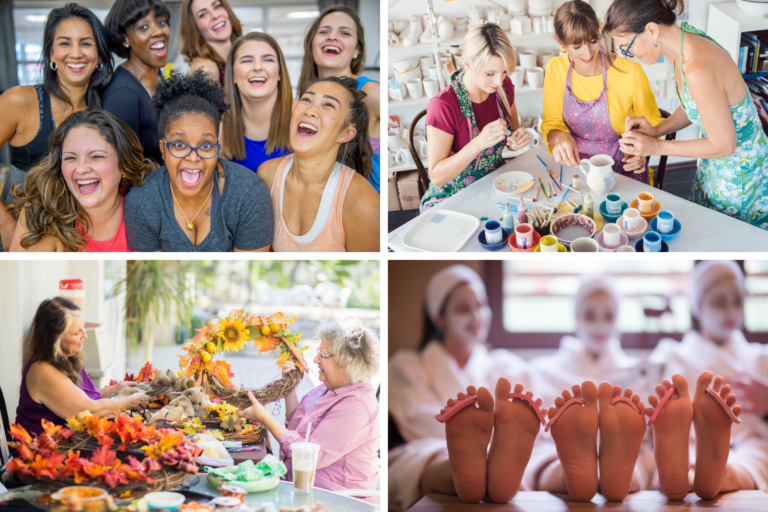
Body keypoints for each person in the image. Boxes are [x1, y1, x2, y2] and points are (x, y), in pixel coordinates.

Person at [604, 0, 768, 229]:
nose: (628, 54)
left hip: (741, 173)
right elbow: (698, 105)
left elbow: (724, 145)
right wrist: (656, 130)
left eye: (626, 46)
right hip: (716, 165)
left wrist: (655, 147)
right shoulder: (681, 44)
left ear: (652, 30)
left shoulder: (698, 68)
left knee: (726, 239)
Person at [388, 265, 526, 510]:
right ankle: (468, 472)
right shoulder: (407, 366)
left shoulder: (506, 366)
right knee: (437, 456)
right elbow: (421, 423)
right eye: (464, 309)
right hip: (432, 445)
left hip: (506, 456)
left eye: (481, 305)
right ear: (439, 317)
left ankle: (495, 471)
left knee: (541, 460)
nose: (476, 316)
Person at [520, 277, 655, 501]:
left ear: (618, 320)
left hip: (626, 451)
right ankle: (578, 474)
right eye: (590, 315)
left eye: (608, 316)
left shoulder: (638, 373)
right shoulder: (543, 371)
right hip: (559, 450)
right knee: (549, 458)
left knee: (637, 458)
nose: (599, 325)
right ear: (576, 317)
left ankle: (617, 474)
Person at [0, 3, 113, 250]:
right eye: (64, 43)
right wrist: (6, 226)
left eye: (85, 43)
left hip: (75, 240)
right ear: (51, 53)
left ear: (99, 54)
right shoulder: (20, 100)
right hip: (17, 241)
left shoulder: (105, 114)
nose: (76, 53)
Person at [649, 261, 768, 492]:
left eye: (737, 301)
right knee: (667, 452)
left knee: (757, 455)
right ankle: (690, 468)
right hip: (687, 443)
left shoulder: (761, 358)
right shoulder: (671, 355)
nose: (730, 311)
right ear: (697, 307)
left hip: (748, 444)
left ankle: (718, 474)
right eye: (719, 302)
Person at [123, 71, 273, 252]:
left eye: (206, 145)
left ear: (217, 147)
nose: (193, 157)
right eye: (179, 144)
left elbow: (247, 270)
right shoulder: (141, 202)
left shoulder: (249, 194)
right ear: (163, 149)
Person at [240, 320, 380, 493]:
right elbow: (297, 428)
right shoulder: (329, 387)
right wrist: (289, 389)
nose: (315, 360)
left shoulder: (357, 405)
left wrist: (265, 419)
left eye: (323, 355)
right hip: (297, 486)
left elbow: (309, 454)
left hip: (333, 499)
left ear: (347, 362)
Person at [542, 0, 663, 184]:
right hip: (577, 170)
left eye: (593, 41)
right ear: (560, 41)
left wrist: (642, 151)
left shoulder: (630, 73)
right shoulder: (555, 69)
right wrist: (560, 138)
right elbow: (551, 124)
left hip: (625, 171)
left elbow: (653, 124)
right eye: (576, 46)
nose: (588, 53)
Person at [257, 76, 378, 252]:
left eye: (329, 105)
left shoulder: (364, 204)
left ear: (345, 134)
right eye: (306, 100)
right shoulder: (267, 174)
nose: (310, 110)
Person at [421, 23, 530, 212]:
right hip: (450, 194)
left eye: (504, 72)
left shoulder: (504, 88)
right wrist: (478, 143)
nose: (498, 81)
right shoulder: (444, 105)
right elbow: (437, 176)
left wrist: (514, 140)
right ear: (467, 63)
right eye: (490, 73)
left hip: (494, 181)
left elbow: (511, 135)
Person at [8, 110, 151, 252]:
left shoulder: (149, 210)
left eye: (96, 156)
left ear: (124, 164)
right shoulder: (40, 214)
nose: (81, 169)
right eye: (70, 158)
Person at [16, 297, 150, 437]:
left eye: (83, 328)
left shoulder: (65, 357)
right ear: (55, 338)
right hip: (42, 451)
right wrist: (132, 401)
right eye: (76, 333)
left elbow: (77, 397)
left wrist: (114, 390)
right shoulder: (43, 371)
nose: (85, 335)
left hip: (67, 442)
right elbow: (89, 411)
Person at [298, 5, 380, 192]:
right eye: (324, 31)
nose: (332, 36)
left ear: (356, 50)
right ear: (312, 44)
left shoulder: (371, 93)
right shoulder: (305, 96)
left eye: (345, 33)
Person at [102, 0, 171, 164]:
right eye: (143, 27)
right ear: (125, 39)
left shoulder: (159, 77)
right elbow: (123, 170)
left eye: (161, 22)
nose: (157, 31)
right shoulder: (122, 95)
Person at [221, 32, 294, 173]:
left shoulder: (302, 116)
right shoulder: (220, 129)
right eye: (247, 61)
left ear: (279, 73)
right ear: (233, 75)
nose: (258, 67)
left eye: (268, 60)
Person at [180, 0, 242, 85]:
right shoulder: (205, 70)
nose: (215, 15)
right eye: (203, 15)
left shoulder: (243, 56)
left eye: (217, 6)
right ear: (195, 29)